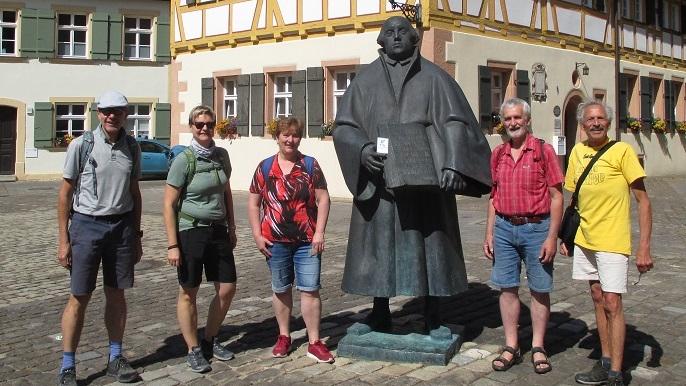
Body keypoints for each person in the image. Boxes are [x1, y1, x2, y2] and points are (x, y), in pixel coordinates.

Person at [332, 16, 491, 332]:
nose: (395, 37)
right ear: (381, 40)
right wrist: (362, 150)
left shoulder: (434, 77)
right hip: (381, 178)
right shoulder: (365, 80)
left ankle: (433, 312)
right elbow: (344, 127)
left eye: (401, 31)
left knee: (430, 242)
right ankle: (380, 310)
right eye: (389, 32)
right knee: (380, 245)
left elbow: (456, 121)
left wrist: (453, 164)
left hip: (426, 175)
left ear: (415, 38)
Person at [562, 101, 653, 386]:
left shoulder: (622, 151)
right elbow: (574, 199)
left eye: (601, 118)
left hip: (613, 240)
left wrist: (643, 247)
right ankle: (603, 362)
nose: (596, 123)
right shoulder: (577, 152)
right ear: (583, 124)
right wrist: (567, 238)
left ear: (609, 122)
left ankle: (616, 372)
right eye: (591, 119)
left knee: (613, 302)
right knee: (598, 298)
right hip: (586, 239)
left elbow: (643, 201)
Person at [56, 91, 142, 385]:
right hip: (86, 225)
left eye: (117, 111)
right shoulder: (83, 144)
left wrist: (137, 235)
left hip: (120, 228)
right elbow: (65, 194)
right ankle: (68, 365)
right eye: (106, 111)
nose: (112, 116)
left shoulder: (132, 146)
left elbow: (135, 193)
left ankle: (115, 358)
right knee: (79, 297)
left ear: (126, 114)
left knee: (116, 295)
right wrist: (63, 240)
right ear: (98, 113)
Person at [483, 98, 563, 374]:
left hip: (537, 228)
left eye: (517, 118)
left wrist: (553, 237)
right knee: (507, 287)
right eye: (507, 119)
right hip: (504, 227)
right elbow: (494, 197)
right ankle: (511, 345)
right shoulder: (498, 154)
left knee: (539, 289)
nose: (513, 123)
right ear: (502, 122)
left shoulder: (543, 151)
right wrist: (489, 233)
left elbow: (556, 196)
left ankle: (539, 346)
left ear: (527, 120)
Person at [247, 117, 333, 363]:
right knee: (281, 288)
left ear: (300, 138)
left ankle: (314, 342)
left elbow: (323, 199)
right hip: (275, 240)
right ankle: (284, 336)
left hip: (307, 240)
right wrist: (257, 234)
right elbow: (253, 202)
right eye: (285, 135)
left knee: (310, 289)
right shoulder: (265, 168)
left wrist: (319, 232)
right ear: (277, 137)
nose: (290, 140)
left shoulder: (309, 165)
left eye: (295, 135)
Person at [163, 105, 238, 373]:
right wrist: (173, 244)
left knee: (227, 288)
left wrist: (231, 226)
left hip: (217, 229)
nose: (204, 128)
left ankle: (209, 339)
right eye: (199, 124)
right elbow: (169, 203)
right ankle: (193, 348)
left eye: (209, 123)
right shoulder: (184, 160)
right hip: (191, 230)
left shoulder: (221, 156)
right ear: (192, 127)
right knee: (188, 291)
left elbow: (226, 192)